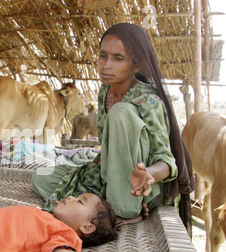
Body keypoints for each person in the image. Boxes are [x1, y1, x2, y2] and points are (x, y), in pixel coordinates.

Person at [32, 23, 194, 223]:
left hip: (141, 187)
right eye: (103, 56)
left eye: (118, 58)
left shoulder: (148, 101)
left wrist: (148, 174)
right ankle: (106, 202)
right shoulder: (104, 92)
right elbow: (111, 146)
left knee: (121, 111)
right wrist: (89, 167)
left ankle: (125, 211)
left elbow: (167, 163)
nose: (106, 64)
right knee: (42, 177)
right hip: (110, 177)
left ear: (136, 65)